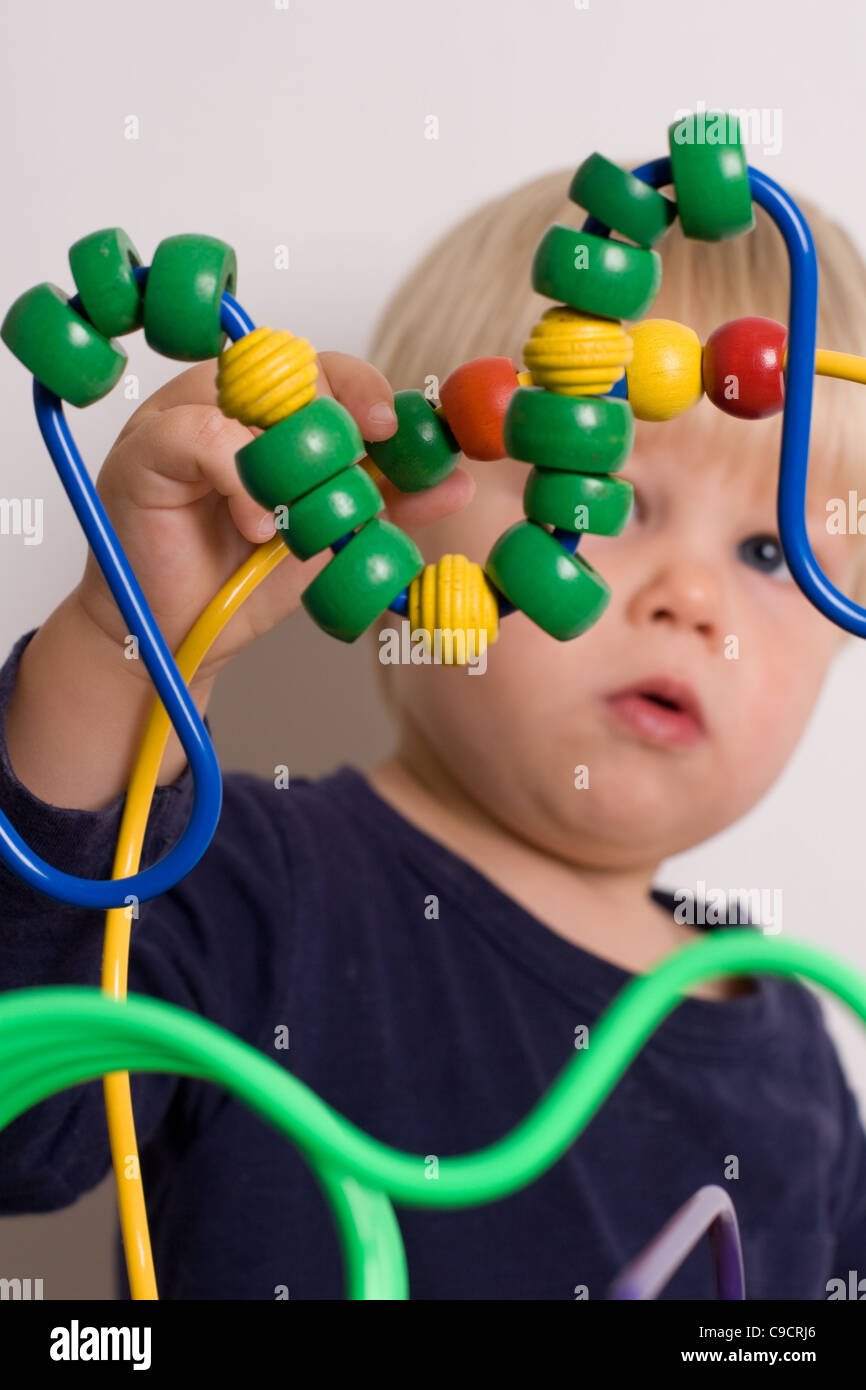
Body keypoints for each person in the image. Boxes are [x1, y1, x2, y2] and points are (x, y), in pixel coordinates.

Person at [1, 167, 865, 1300]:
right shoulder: (256, 887)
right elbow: (26, 1124)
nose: (685, 598)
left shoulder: (796, 1051)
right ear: (412, 498)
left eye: (766, 553)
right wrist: (131, 645)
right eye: (604, 492)